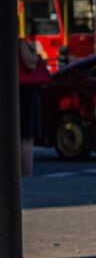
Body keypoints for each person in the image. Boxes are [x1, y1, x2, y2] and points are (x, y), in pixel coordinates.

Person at [18, 37, 50, 173]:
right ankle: (26, 171)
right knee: (27, 136)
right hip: (25, 91)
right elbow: (30, 63)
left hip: (16, 91)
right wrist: (36, 53)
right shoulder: (20, 43)